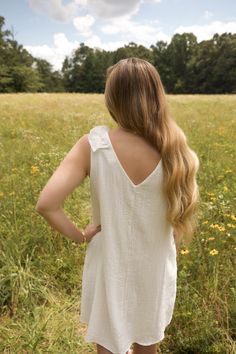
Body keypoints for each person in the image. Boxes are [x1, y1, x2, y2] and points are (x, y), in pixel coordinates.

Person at [36, 57, 200, 354]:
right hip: (155, 268)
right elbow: (176, 219)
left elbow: (47, 204)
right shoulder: (175, 149)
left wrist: (80, 235)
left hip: (109, 268)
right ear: (157, 96)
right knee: (147, 345)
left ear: (112, 99)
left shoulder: (94, 145)